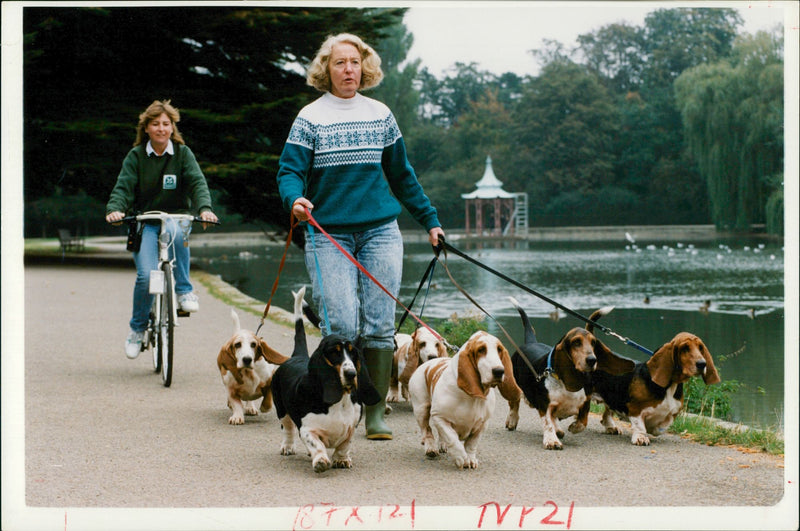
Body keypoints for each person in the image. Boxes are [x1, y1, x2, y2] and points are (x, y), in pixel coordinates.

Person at [276, 33, 445, 440]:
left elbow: (403, 177)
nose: (348, 69)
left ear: (364, 67)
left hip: (381, 232)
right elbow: (289, 172)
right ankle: (339, 406)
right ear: (326, 70)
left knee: (380, 324)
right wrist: (295, 198)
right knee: (343, 325)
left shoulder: (380, 114)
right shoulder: (310, 117)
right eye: (339, 63)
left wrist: (431, 220)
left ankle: (374, 414)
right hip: (326, 234)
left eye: (354, 62)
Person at [106, 99, 218, 360]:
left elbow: (197, 183)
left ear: (172, 127)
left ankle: (183, 290)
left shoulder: (182, 154)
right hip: (145, 222)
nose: (161, 128)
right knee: (146, 276)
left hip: (175, 219)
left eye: (166, 124)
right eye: (155, 124)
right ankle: (137, 329)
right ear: (146, 128)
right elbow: (123, 187)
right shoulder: (135, 157)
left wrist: (204, 208)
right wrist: (115, 209)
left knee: (179, 231)